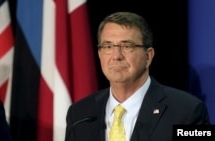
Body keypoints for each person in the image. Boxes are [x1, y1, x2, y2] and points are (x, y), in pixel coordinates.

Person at [65, 12, 210, 141]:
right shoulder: (80, 114)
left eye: (127, 46)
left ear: (148, 56)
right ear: (99, 54)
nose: (116, 56)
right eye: (108, 46)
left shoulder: (187, 111)